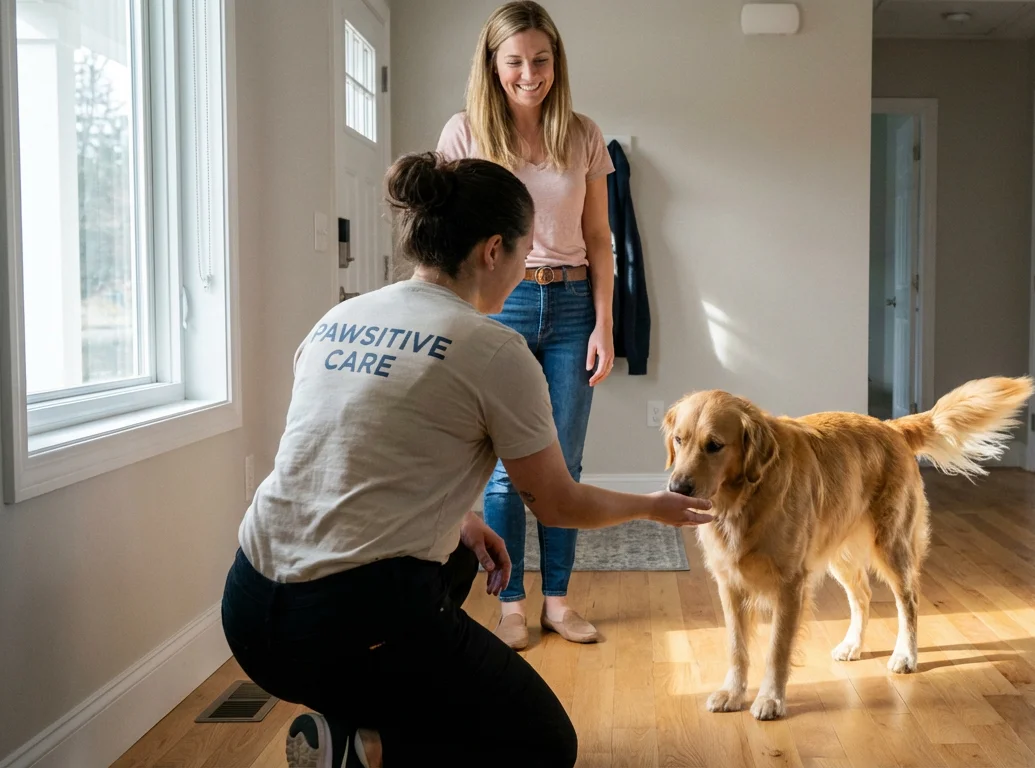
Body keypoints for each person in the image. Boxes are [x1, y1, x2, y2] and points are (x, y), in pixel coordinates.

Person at [220, 152, 712, 768]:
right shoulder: (493, 348)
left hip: (247, 608)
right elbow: (558, 502)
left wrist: (459, 518)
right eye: (526, 250)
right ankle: (370, 739)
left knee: (456, 556)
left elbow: (345, 463)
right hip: (343, 622)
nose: (528, 266)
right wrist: (653, 507)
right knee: (544, 743)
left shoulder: (339, 318)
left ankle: (351, 729)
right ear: (493, 250)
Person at [435, 0, 614, 651]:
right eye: (515, 61)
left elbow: (599, 238)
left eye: (541, 59)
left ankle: (559, 603)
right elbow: (448, 236)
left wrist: (604, 325)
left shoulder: (583, 134)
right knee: (510, 467)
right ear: (494, 63)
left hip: (570, 309)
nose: (529, 73)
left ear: (555, 62)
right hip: (497, 306)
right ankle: (511, 604)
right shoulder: (464, 133)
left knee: (561, 466)